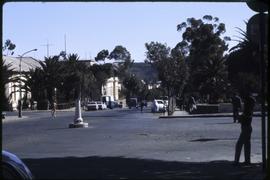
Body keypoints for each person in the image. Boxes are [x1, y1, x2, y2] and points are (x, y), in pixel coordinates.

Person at [234, 93, 256, 165]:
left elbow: (244, 119)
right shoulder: (249, 110)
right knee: (247, 145)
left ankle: (236, 161)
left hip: (246, 128)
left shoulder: (247, 111)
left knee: (239, 144)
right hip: (247, 128)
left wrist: (238, 117)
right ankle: (247, 161)